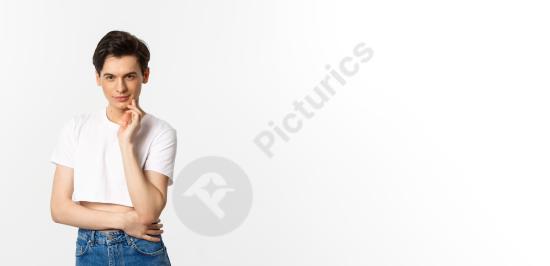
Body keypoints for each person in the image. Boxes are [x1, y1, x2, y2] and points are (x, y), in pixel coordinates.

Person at [49, 30, 176, 265]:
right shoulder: (76, 128)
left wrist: (127, 144)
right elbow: (59, 209)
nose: (120, 88)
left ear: (145, 75)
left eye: (129, 76)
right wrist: (125, 220)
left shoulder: (160, 132)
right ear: (97, 77)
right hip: (90, 247)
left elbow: (148, 213)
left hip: (142, 248)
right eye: (110, 77)